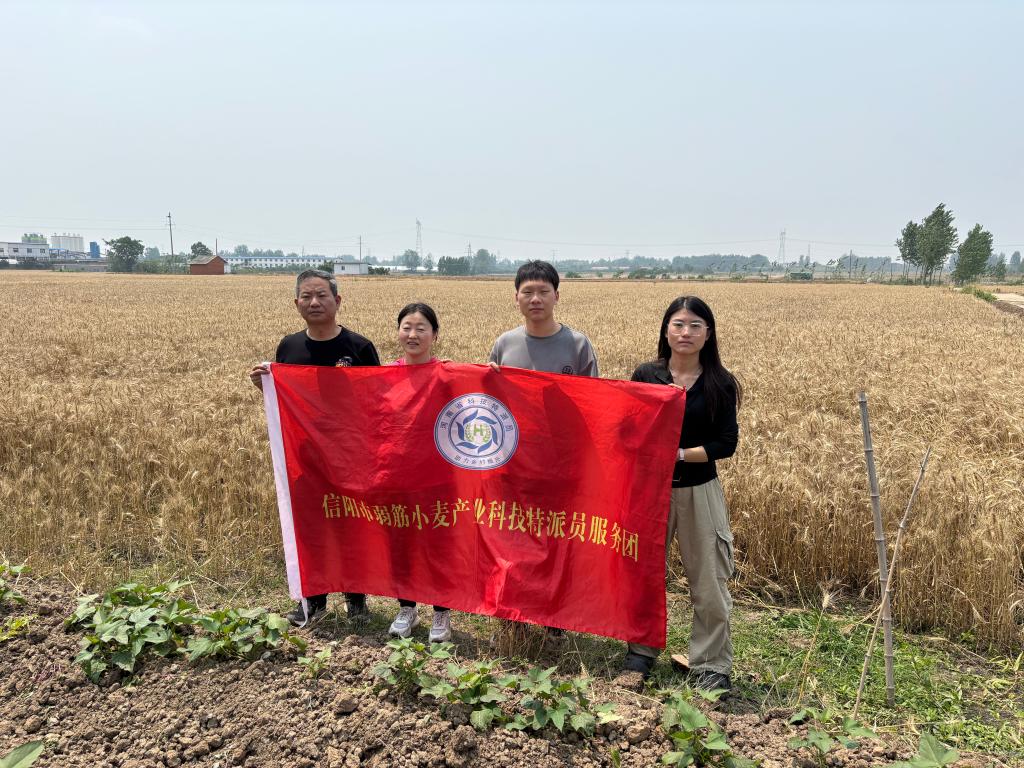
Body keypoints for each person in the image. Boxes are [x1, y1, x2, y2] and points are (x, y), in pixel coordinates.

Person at [617, 295, 742, 693]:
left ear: (708, 334)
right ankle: (640, 653)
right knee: (642, 575)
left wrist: (680, 454)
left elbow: (726, 443)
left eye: (695, 326)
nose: (685, 332)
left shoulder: (719, 383)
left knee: (709, 581)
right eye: (678, 324)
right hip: (649, 492)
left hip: (698, 491)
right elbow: (627, 428)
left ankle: (711, 664)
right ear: (666, 330)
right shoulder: (646, 375)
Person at [249, 268, 381, 628]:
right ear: (296, 303)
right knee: (310, 526)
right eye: (306, 296)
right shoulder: (289, 348)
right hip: (304, 455)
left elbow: (377, 398)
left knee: (350, 524)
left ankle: (356, 600)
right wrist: (266, 388)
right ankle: (313, 600)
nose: (314, 302)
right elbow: (286, 400)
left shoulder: (359, 348)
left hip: (349, 454)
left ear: (337, 301)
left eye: (322, 295)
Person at [488, 260, 599, 640]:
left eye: (543, 292)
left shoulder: (578, 345)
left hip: (560, 464)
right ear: (516, 297)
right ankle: (513, 616)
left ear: (556, 296)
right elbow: (490, 404)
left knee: (557, 539)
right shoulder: (505, 344)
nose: (535, 299)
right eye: (528, 292)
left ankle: (554, 617)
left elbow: (594, 404)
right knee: (512, 537)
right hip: (514, 462)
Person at [386, 302, 454, 643]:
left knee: (438, 545)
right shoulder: (383, 376)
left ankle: (441, 612)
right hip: (396, 474)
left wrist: (493, 375)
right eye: (406, 327)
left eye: (421, 328)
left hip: (439, 477)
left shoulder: (448, 375)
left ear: (435, 335)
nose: (412, 335)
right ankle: (407, 608)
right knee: (402, 543)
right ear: (398, 332)